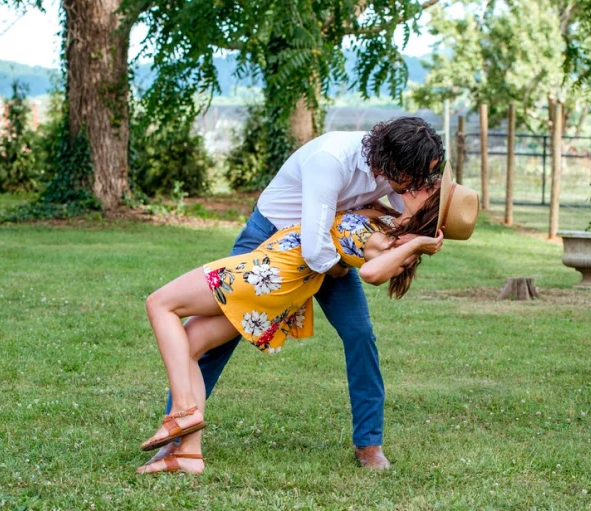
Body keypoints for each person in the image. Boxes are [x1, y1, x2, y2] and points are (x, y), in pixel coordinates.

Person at [144, 118, 445, 472]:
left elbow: (398, 217)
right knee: (212, 342)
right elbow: (316, 252)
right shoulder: (331, 160)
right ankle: (178, 443)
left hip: (327, 246)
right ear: (392, 163)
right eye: (414, 176)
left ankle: (369, 445)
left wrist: (415, 235)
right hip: (276, 242)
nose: (416, 184)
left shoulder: (396, 170)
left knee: (360, 334)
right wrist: (343, 262)